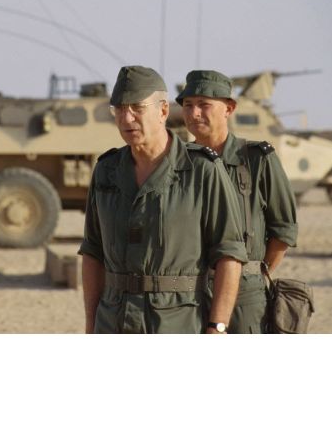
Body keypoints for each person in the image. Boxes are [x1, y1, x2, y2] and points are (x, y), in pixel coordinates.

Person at [79, 65, 248, 334]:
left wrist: (217, 326)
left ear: (163, 111)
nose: (127, 118)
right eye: (119, 109)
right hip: (114, 321)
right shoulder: (106, 171)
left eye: (137, 107)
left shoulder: (202, 170)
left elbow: (229, 253)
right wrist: (91, 325)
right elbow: (92, 253)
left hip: (178, 322)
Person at [177, 70, 298, 333]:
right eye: (188, 105)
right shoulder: (178, 163)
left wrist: (253, 275)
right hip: (188, 293)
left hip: (245, 298)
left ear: (229, 109)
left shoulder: (257, 159)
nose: (194, 113)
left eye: (204, 105)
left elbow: (283, 231)